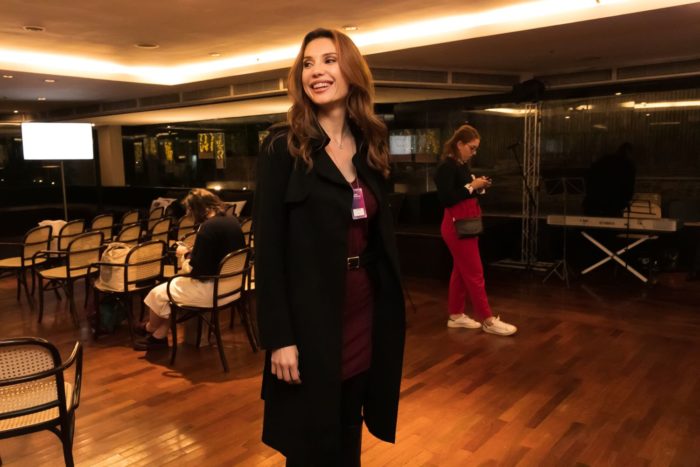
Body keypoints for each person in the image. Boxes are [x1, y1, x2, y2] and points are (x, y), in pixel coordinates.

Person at [254, 28, 406, 466]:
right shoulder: (282, 147)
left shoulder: (369, 144)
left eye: (329, 60)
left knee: (348, 435)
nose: (316, 72)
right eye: (307, 63)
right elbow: (268, 250)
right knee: (310, 445)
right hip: (309, 321)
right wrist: (279, 339)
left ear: (352, 71)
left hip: (362, 312)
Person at [133, 188, 245, 350]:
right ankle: (159, 337)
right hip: (233, 287)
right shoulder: (231, 220)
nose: (188, 214)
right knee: (168, 296)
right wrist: (194, 252)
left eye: (189, 210)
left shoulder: (208, 227)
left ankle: (149, 328)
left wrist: (183, 255)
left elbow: (196, 271)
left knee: (158, 293)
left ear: (197, 209)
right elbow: (219, 253)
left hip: (212, 290)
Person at [434, 124, 517, 336]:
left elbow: (463, 193)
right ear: (459, 144)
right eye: (472, 148)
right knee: (474, 273)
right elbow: (447, 199)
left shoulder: (461, 165)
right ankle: (487, 320)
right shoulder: (446, 167)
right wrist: (472, 186)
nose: (474, 152)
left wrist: (477, 186)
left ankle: (456, 315)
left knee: (461, 271)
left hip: (466, 223)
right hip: (456, 226)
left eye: (475, 148)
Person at [582, 142, 636, 217]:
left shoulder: (604, 160)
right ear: (629, 153)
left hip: (593, 203)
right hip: (614, 206)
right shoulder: (628, 166)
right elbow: (629, 191)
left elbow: (590, 177)